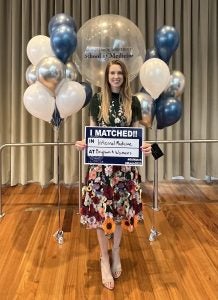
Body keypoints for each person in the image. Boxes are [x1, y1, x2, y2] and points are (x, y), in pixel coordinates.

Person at [75, 59, 151, 290]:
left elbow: (138, 136)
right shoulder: (97, 100)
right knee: (101, 214)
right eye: (112, 73)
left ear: (125, 76)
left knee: (120, 212)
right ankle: (104, 258)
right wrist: (83, 144)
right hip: (101, 170)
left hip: (125, 170)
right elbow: (91, 134)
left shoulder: (133, 101)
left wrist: (148, 148)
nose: (116, 76)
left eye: (119, 73)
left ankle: (116, 251)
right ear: (107, 76)